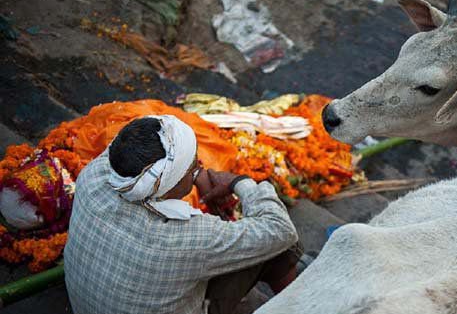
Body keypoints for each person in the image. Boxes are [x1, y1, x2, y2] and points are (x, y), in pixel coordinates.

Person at [64, 115, 300, 314]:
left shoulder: (94, 174)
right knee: (276, 249)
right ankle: (303, 306)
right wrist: (240, 181)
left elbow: (135, 149)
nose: (198, 164)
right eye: (192, 165)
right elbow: (280, 229)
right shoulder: (185, 237)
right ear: (172, 181)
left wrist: (196, 175)